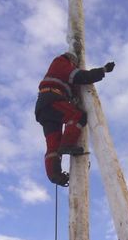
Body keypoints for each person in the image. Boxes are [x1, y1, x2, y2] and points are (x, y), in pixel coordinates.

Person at [35, 52, 115, 186]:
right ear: (71, 60)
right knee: (78, 116)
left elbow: (73, 86)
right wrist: (103, 70)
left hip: (44, 106)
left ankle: (55, 175)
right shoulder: (61, 63)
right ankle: (67, 145)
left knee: (53, 143)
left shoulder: (60, 73)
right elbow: (82, 76)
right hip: (51, 99)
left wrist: (74, 96)